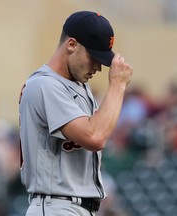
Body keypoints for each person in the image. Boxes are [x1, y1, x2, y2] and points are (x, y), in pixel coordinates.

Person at [18, 11, 133, 216]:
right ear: (72, 45)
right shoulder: (45, 85)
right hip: (56, 205)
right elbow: (95, 137)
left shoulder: (79, 87)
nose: (98, 67)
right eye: (94, 57)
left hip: (75, 207)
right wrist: (117, 85)